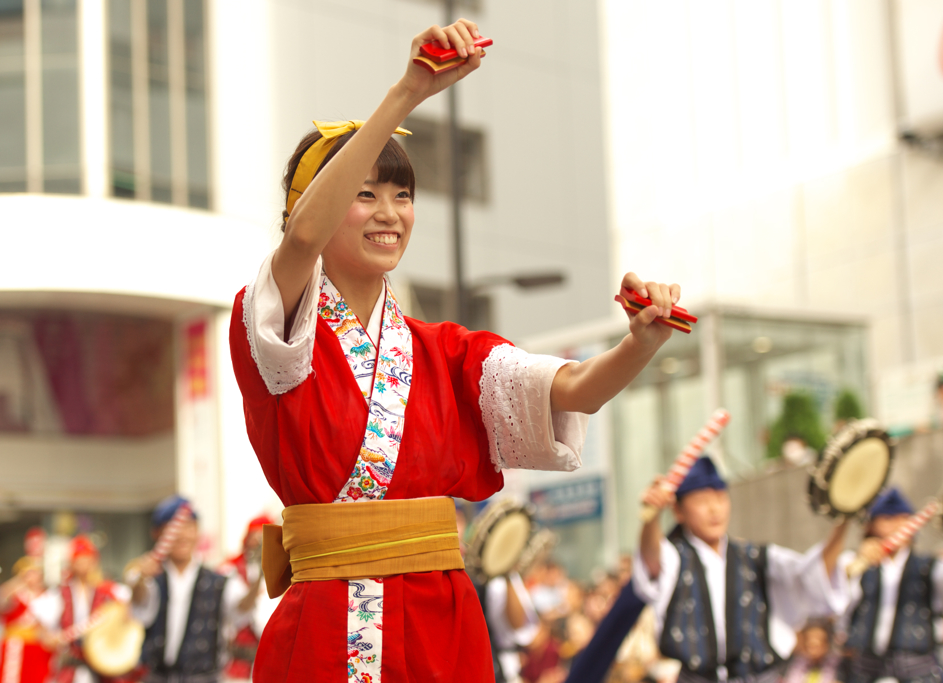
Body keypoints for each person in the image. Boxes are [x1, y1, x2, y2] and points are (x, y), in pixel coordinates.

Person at [227, 17, 683, 683]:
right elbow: (300, 242)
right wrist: (407, 93)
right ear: (316, 208)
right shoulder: (279, 332)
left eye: (402, 194)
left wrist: (640, 342)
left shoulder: (444, 352)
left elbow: (576, 385)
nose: (390, 211)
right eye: (364, 193)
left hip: (443, 623)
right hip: (331, 624)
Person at [633, 456, 850, 683]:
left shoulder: (756, 557)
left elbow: (811, 574)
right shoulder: (675, 557)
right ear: (678, 510)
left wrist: (843, 520)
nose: (714, 509)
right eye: (701, 500)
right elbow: (651, 559)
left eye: (720, 497)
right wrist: (652, 518)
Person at [839, 488, 943, 683]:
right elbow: (832, 594)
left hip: (917, 666)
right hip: (867, 667)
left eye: (903, 519)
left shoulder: (930, 567)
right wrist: (858, 560)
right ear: (871, 526)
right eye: (888, 519)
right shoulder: (853, 563)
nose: (897, 525)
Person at [129, 496, 259, 683]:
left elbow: (241, 608)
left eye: (188, 527)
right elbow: (140, 605)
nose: (182, 535)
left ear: (197, 531)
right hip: (157, 677)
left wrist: (258, 579)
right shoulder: (151, 579)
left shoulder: (220, 580)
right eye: (173, 528)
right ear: (158, 534)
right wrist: (141, 578)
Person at [32, 536, 133, 683]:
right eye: (79, 560)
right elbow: (43, 627)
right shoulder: (61, 593)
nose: (83, 564)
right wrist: (52, 638)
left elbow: (131, 610)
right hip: (72, 665)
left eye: (87, 559)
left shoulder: (109, 591)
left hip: (104, 665)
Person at [218, 515, 274, 682]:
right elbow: (240, 608)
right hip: (240, 663)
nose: (259, 544)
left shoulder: (287, 572)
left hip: (271, 659)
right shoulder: (232, 571)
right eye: (256, 539)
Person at [0, 557, 55, 683]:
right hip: (15, 647)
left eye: (35, 573)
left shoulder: (48, 596)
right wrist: (19, 581)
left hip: (39, 648)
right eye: (28, 573)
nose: (32, 577)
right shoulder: (15, 595)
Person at [782, 619, 841, 683]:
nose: (813, 649)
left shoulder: (839, 666)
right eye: (809, 644)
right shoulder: (789, 664)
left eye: (819, 643)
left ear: (827, 644)